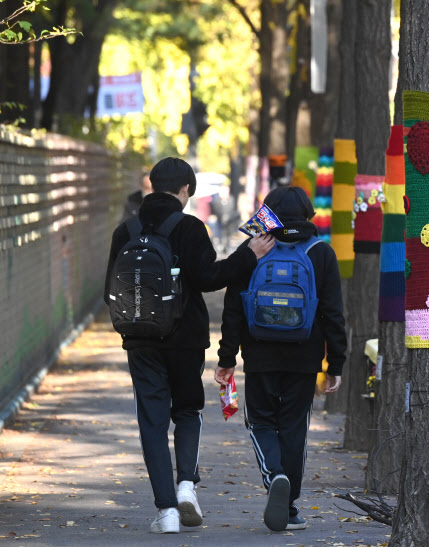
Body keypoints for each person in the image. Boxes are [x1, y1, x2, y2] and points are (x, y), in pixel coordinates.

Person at [104, 157, 275, 534]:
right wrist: (250, 254)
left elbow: (109, 292)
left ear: (152, 185)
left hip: (140, 342)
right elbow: (210, 278)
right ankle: (186, 487)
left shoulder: (125, 231)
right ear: (185, 190)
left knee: (151, 422)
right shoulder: (190, 227)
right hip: (185, 340)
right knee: (187, 411)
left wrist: (132, 331)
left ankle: (165, 512)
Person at [214, 186, 346, 532]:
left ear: (267, 214)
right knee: (293, 427)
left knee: (260, 422)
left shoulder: (254, 248)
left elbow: (233, 309)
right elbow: (333, 313)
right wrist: (337, 364)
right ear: (307, 214)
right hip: (305, 356)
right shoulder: (321, 252)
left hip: (259, 354)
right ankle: (289, 509)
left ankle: (275, 476)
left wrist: (227, 357)